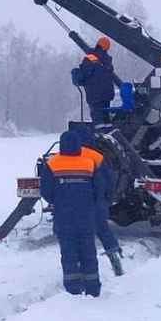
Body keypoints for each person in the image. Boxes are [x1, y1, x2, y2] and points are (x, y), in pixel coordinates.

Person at [38, 130, 101, 297]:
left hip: (63, 216)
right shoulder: (89, 163)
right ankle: (93, 288)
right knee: (89, 252)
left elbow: (45, 190)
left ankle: (73, 289)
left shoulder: (52, 163)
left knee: (69, 253)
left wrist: (58, 201)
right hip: (86, 216)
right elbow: (99, 189)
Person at [79, 141, 124, 275]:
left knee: (76, 236)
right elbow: (110, 180)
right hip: (96, 203)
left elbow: (49, 187)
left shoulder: (61, 158)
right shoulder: (97, 157)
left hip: (72, 205)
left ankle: (78, 271)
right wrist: (108, 198)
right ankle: (116, 262)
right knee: (103, 230)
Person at [76, 36, 116, 125]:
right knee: (105, 115)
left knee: (97, 116)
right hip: (107, 94)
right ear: (107, 47)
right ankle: (107, 129)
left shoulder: (90, 58)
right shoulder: (107, 60)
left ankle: (99, 130)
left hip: (94, 94)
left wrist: (79, 78)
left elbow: (85, 74)